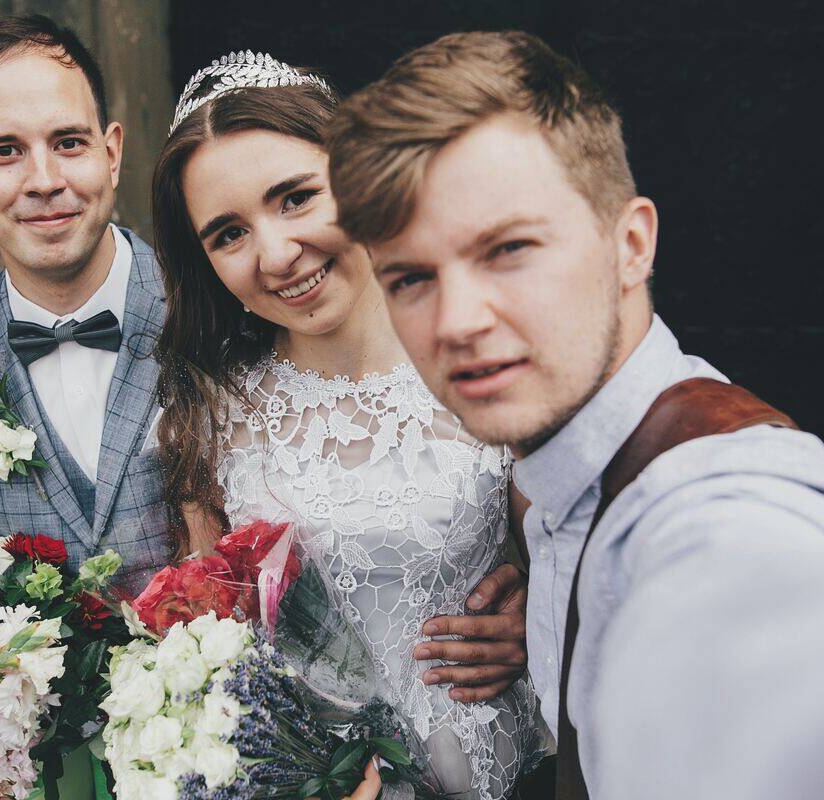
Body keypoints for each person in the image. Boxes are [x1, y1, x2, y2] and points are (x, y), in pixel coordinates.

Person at [326, 30, 824, 800]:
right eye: (411, 278)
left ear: (631, 243)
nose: (456, 320)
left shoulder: (721, 536)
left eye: (508, 249)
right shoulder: (560, 484)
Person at [152, 52, 545, 800]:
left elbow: (578, 565)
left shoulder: (487, 355)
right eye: (228, 234)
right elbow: (209, 649)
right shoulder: (206, 414)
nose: (275, 253)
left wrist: (539, 616)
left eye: (295, 198)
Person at [0, 13, 171, 583]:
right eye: (4, 151)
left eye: (68, 142)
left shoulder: (214, 308)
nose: (43, 180)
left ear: (111, 152)